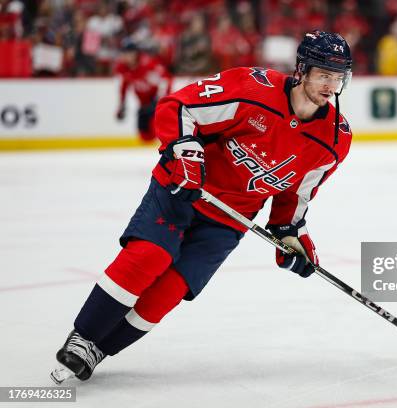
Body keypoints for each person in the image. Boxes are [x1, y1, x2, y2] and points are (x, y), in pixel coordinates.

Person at [50, 30, 353, 384]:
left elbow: (294, 197)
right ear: (302, 69)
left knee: (169, 291)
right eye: (323, 74)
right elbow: (178, 106)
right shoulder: (251, 88)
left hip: (229, 220)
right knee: (150, 257)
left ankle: (99, 349)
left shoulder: (334, 139)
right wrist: (188, 155)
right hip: (181, 188)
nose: (331, 85)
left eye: (338, 77)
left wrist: (291, 237)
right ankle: (83, 336)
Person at [115, 42, 172, 142]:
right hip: (143, 104)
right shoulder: (123, 67)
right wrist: (122, 104)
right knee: (144, 136)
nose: (125, 57)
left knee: (157, 132)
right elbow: (124, 85)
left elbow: (166, 79)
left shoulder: (148, 63)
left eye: (128, 53)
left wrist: (161, 100)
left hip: (156, 102)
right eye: (124, 53)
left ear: (135, 53)